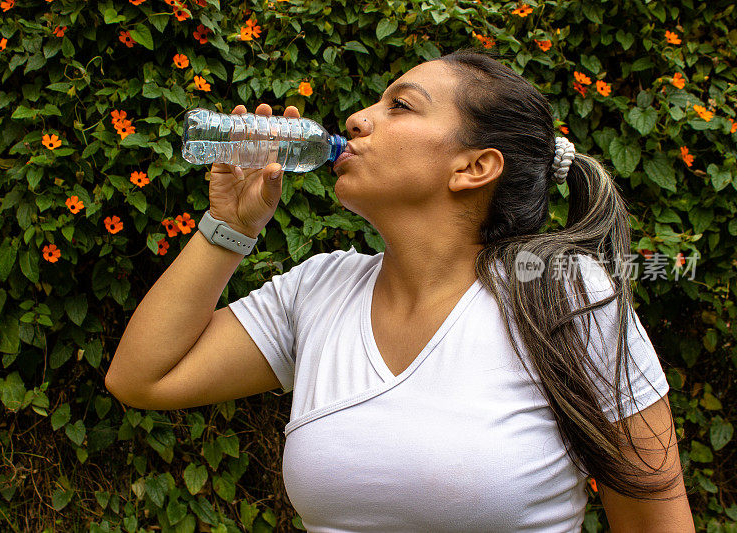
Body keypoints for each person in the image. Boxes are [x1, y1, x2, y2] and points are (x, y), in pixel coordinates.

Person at [106, 48, 695, 531]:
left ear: (473, 168)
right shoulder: (319, 289)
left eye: (401, 106)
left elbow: (656, 519)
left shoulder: (561, 296)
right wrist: (230, 228)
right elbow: (141, 377)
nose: (359, 118)